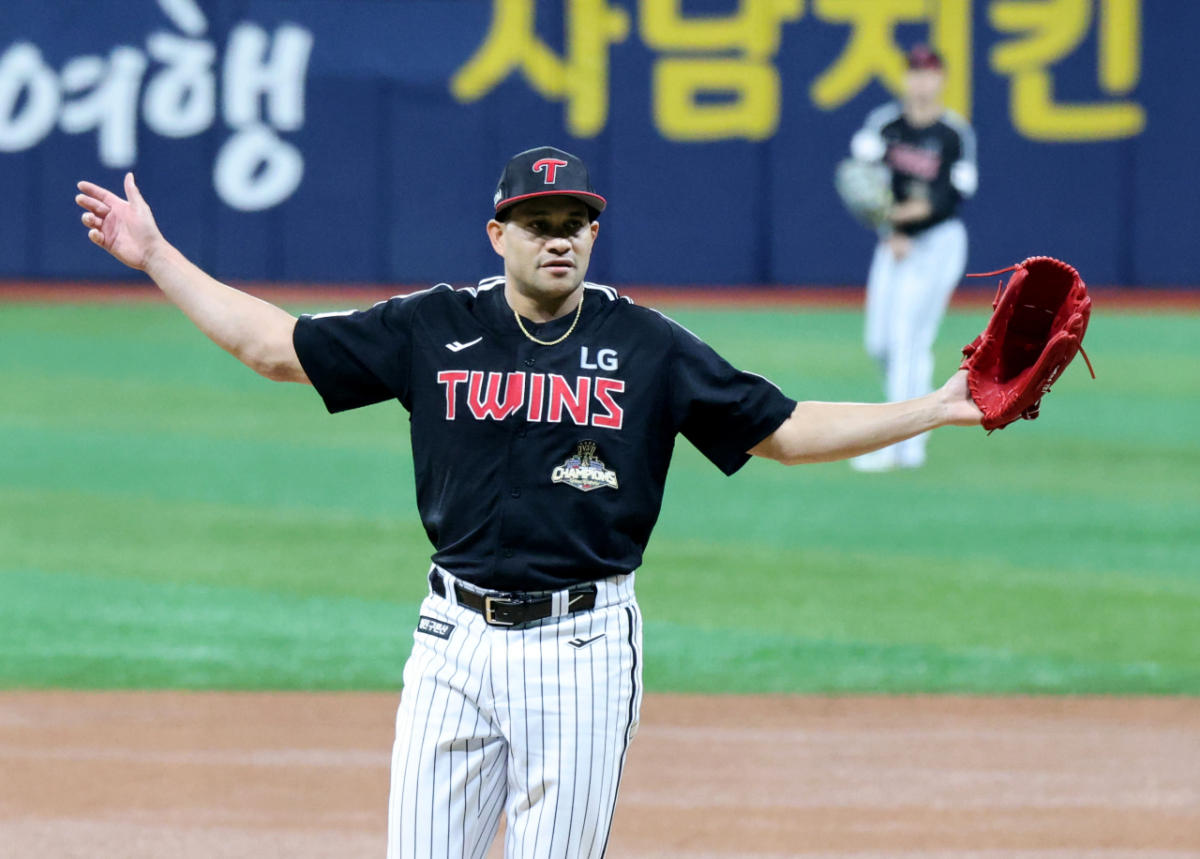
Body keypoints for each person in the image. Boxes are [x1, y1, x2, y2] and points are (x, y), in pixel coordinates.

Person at [76, 146, 982, 859]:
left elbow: (781, 428)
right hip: (451, 644)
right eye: (538, 222)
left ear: (594, 234)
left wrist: (936, 407)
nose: (559, 238)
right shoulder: (435, 324)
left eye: (575, 223)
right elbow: (275, 347)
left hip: (581, 649)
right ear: (497, 234)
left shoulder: (649, 344)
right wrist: (154, 254)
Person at [848, 45, 978, 472]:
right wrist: (890, 226)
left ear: (941, 79)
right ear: (905, 79)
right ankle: (917, 421)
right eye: (915, 73)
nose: (921, 81)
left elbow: (949, 198)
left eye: (929, 73)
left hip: (938, 243)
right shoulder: (884, 125)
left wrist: (897, 219)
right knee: (880, 343)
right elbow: (861, 180)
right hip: (894, 243)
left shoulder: (954, 132)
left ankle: (900, 444)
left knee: (908, 339)